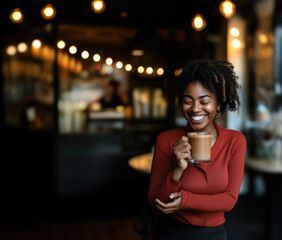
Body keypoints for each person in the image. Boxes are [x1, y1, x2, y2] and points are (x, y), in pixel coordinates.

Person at [147, 60, 246, 240]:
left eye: (204, 101)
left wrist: (185, 200)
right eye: (187, 101)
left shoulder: (235, 141)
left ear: (218, 104)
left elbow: (229, 200)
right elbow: (156, 203)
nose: (195, 109)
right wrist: (177, 169)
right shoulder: (166, 140)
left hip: (213, 235)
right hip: (171, 233)